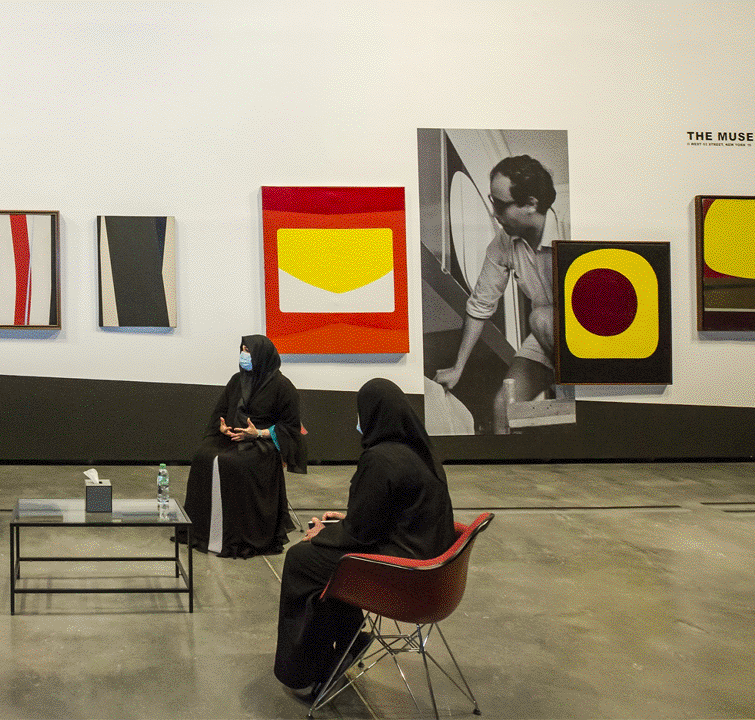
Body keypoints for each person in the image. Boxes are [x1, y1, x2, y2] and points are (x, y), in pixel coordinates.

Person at [274, 378, 455, 692]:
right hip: (430, 568)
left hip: (403, 575)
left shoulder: (380, 459)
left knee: (302, 560)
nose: (358, 420)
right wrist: (346, 521)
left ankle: (306, 668)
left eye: (361, 411)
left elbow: (359, 535)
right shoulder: (420, 452)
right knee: (327, 561)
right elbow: (398, 513)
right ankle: (349, 638)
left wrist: (321, 533)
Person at [433, 154, 567, 434]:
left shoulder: (569, 226)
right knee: (504, 407)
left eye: (501, 205)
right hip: (545, 336)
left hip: (586, 334)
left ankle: (572, 394)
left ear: (531, 204)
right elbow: (480, 305)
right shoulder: (503, 243)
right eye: (492, 202)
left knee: (541, 318)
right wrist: (458, 367)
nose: (495, 214)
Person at [182, 334, 307, 558]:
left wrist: (257, 433)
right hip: (232, 437)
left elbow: (290, 427)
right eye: (242, 349)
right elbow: (221, 412)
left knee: (234, 464)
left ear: (261, 355)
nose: (243, 354)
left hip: (262, 442)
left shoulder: (283, 387)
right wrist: (223, 428)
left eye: (248, 351)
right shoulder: (236, 380)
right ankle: (204, 530)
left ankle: (238, 534)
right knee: (203, 456)